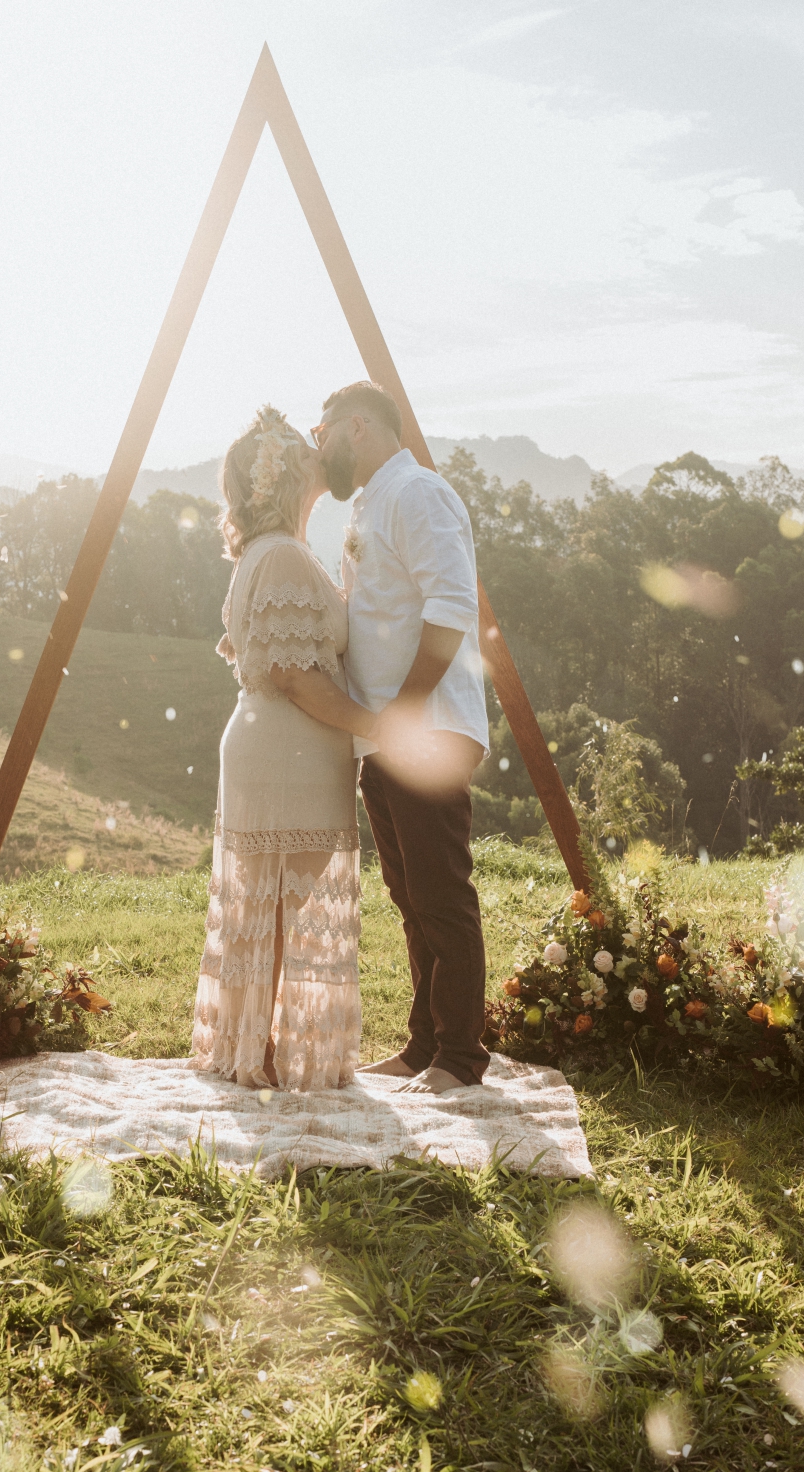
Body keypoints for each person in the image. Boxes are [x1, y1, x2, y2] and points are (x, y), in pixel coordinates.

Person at [191, 406, 379, 1090]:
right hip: (284, 753)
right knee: (272, 907)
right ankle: (257, 1052)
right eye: (306, 447)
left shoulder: (272, 554)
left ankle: (254, 1045)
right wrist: (377, 725)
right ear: (285, 473)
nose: (317, 450)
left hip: (280, 751)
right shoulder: (282, 557)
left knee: (271, 906)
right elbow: (296, 677)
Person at [314, 380, 490, 1093]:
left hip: (427, 727)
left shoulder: (418, 494)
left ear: (356, 427)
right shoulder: (371, 502)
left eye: (320, 430)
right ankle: (424, 1047)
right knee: (411, 897)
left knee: (441, 893)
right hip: (385, 736)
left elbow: (450, 606)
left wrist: (407, 711)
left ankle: (460, 1058)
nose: (317, 445)